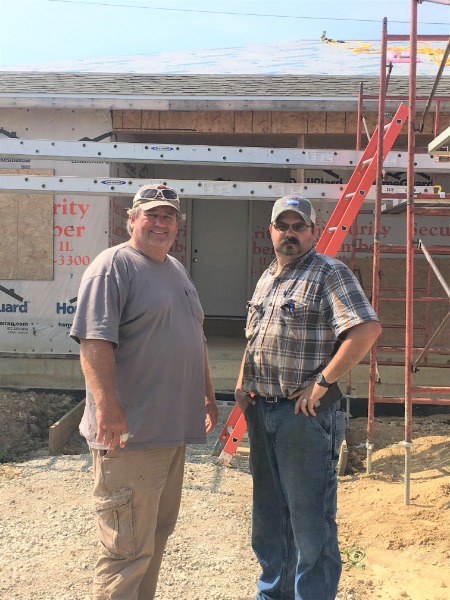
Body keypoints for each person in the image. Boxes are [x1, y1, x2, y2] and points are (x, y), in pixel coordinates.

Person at [70, 183, 218, 600]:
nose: (160, 223)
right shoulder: (113, 266)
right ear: (130, 219)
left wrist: (206, 395)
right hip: (129, 437)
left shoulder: (175, 269)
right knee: (126, 549)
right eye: (151, 214)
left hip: (168, 434)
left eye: (168, 216)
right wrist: (108, 410)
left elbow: (195, 336)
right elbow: (94, 342)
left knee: (153, 538)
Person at [234, 195, 381, 600]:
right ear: (271, 231)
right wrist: (242, 379)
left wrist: (322, 381)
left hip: (304, 418)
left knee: (310, 522)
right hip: (263, 412)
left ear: (313, 232)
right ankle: (273, 593)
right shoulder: (268, 276)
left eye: (299, 226)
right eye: (283, 226)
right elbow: (257, 335)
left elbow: (365, 330)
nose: (290, 234)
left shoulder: (329, 273)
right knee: (269, 517)